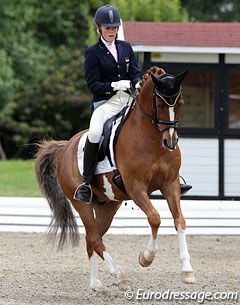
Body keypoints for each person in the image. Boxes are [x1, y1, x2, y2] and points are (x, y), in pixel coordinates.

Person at [73, 4, 141, 203]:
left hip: (128, 99)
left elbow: (135, 72)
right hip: (105, 102)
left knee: (155, 121)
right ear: (99, 28)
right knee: (94, 133)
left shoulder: (126, 47)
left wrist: (137, 83)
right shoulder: (92, 52)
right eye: (107, 27)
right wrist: (114, 85)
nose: (111, 31)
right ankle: (86, 182)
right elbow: (93, 85)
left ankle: (171, 175)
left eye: (114, 27)